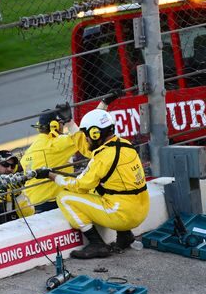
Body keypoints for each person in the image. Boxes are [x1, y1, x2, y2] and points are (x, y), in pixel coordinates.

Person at [34, 109, 149, 259]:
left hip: (123, 215)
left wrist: (51, 175)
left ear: (95, 134)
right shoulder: (124, 145)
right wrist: (70, 123)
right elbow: (89, 149)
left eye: (87, 135)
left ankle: (97, 244)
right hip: (142, 208)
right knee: (105, 187)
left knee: (64, 197)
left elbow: (79, 185)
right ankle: (125, 236)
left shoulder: (102, 158)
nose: (86, 139)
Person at [21, 89, 122, 213]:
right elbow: (88, 133)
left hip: (36, 203)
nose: (63, 126)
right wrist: (104, 103)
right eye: (62, 123)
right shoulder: (57, 143)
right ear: (55, 125)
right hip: (53, 202)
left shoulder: (31, 149)